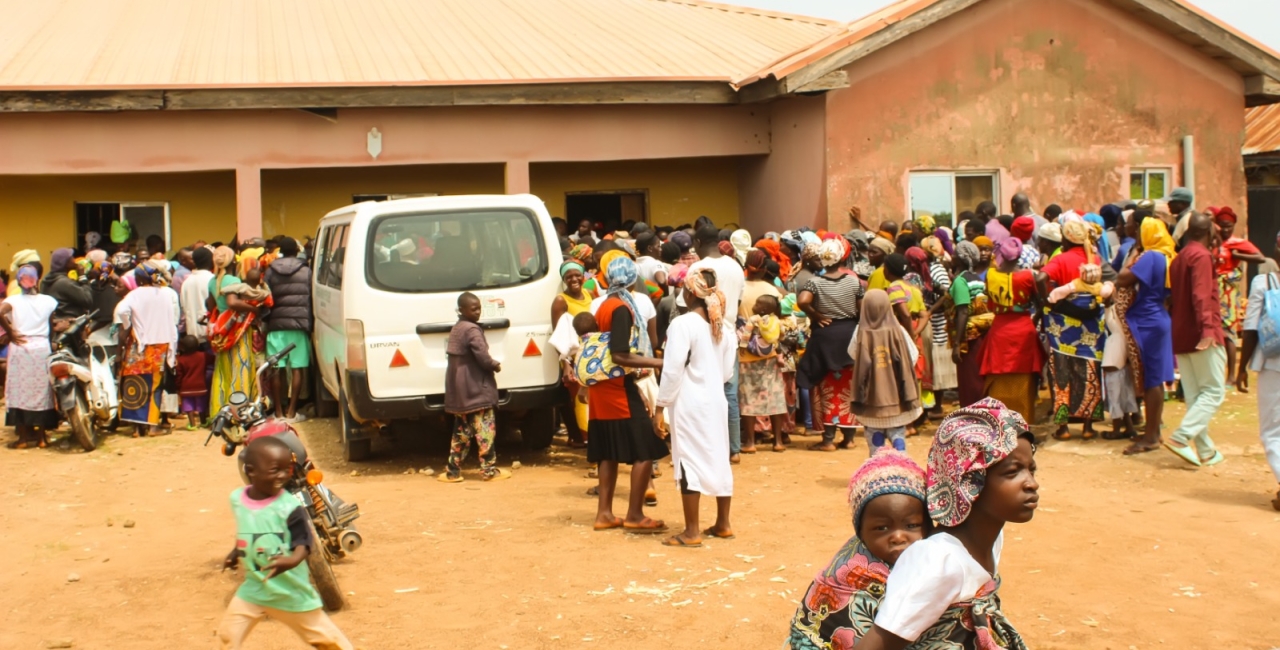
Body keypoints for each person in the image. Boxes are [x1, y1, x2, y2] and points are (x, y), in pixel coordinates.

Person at [854, 399, 1036, 650]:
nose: (1031, 483)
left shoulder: (992, 536)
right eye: (1013, 472)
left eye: (1031, 470)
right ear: (969, 482)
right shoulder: (938, 561)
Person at [218, 437, 354, 650]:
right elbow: (247, 530)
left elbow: (304, 542)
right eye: (275, 470)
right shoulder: (238, 500)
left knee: (329, 641)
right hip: (254, 589)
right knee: (227, 636)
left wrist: (291, 560)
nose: (284, 476)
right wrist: (235, 552)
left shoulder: (289, 506)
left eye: (287, 469)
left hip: (291, 591)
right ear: (251, 471)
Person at [787, 450, 928, 649]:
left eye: (912, 525)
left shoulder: (935, 559)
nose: (898, 537)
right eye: (882, 528)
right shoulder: (848, 573)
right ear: (861, 532)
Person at [655, 269, 737, 547]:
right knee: (718, 457)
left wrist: (660, 406)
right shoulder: (724, 328)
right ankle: (723, 523)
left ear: (690, 294)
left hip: (690, 402)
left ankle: (692, 532)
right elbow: (726, 373)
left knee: (688, 460)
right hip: (716, 400)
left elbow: (672, 370)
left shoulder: (683, 324)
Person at [588, 256, 667, 533]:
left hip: (603, 388)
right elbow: (620, 354)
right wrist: (657, 362)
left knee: (608, 453)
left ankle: (605, 514)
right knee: (646, 448)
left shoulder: (604, 306)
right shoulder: (621, 308)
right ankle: (634, 514)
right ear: (633, 280)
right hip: (617, 389)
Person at [1164, 213, 1225, 467]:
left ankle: (1206, 450)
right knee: (1213, 391)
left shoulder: (1179, 258)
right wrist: (1208, 330)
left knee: (1195, 394)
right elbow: (1201, 296)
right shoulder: (1200, 256)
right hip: (1202, 333)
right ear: (1208, 232)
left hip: (1182, 333)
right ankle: (1181, 437)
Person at [1040, 219, 1107, 440]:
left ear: (1066, 238)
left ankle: (1064, 428)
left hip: (1063, 328)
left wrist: (1046, 302)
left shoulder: (1060, 260)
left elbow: (1041, 277)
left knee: (1061, 373)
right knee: (1088, 372)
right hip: (1090, 327)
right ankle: (1088, 427)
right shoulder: (1094, 259)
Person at [1115, 217, 1176, 455]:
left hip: (1147, 320)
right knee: (1155, 379)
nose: (1138, 237)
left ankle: (1151, 436)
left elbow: (1122, 279)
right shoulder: (1167, 256)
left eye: (1141, 233)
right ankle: (1153, 431)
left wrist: (1133, 255)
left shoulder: (1150, 257)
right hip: (1157, 316)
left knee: (1152, 380)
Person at [797, 239, 865, 451]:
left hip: (824, 338)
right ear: (843, 258)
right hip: (849, 337)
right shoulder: (854, 282)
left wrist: (817, 315)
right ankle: (849, 438)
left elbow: (802, 301)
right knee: (848, 388)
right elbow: (862, 310)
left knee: (825, 388)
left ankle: (827, 440)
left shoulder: (814, 283)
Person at [438, 292, 510, 482]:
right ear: (461, 310)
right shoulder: (471, 330)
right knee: (485, 430)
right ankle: (489, 471)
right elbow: (483, 356)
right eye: (474, 308)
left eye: (479, 308)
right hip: (476, 390)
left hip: (460, 393)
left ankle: (453, 472)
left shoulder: (457, 328)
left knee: (461, 433)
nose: (478, 312)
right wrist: (495, 365)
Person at [689, 225, 746, 459]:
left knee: (702, 391)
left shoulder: (698, 267)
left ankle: (708, 446)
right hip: (729, 335)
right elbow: (738, 301)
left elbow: (688, 303)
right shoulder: (735, 266)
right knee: (729, 394)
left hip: (704, 336)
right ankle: (734, 448)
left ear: (700, 243)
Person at [847, 290, 921, 453]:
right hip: (897, 398)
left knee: (875, 442)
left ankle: (877, 468)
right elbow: (913, 355)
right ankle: (900, 464)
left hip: (871, 400)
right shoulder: (898, 330)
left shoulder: (860, 331)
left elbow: (852, 353)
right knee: (897, 434)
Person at [980, 239, 1045, 423]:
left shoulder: (990, 275)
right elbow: (1040, 304)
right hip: (1024, 329)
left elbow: (989, 301)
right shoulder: (1027, 276)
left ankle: (998, 423)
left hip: (999, 329)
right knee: (1024, 378)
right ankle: (1022, 425)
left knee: (997, 376)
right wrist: (1035, 320)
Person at [1236, 246, 1280, 510]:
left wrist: (1241, 369)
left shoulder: (1263, 282)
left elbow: (1251, 327)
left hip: (1273, 363)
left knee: (1272, 432)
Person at [114, 264, 181, 436]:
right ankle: (152, 426)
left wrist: (128, 325)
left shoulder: (134, 294)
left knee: (134, 384)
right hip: (160, 348)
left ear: (139, 279)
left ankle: (137, 428)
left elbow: (121, 310)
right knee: (155, 385)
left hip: (139, 346)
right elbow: (173, 320)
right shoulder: (166, 294)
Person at [0, 265, 58, 448]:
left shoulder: (13, 301)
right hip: (41, 347)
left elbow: (0, 312)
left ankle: (23, 439)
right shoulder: (49, 301)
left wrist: (11, 332)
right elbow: (51, 327)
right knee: (42, 391)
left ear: (19, 281)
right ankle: (42, 438)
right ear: (36, 281)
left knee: (19, 391)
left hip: (20, 347)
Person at [739, 250, 788, 452]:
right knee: (774, 395)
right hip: (770, 351)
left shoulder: (739, 289)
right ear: (765, 268)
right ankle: (777, 441)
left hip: (746, 352)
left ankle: (750, 443)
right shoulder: (773, 290)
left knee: (747, 397)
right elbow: (781, 319)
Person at [1210, 206, 1265, 382]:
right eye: (1222, 225)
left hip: (1228, 293)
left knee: (1228, 334)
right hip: (1211, 290)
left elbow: (1260, 257)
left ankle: (1232, 375)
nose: (1225, 229)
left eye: (1229, 226)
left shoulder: (1236, 243)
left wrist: (1238, 255)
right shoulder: (1212, 242)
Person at [264, 238, 313, 422]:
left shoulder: (270, 270)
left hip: (276, 325)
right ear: (296, 250)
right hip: (299, 325)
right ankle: (292, 412)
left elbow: (265, 296)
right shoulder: (306, 270)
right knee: (298, 368)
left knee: (276, 367)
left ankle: (278, 412)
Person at [551, 260, 593, 448]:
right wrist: (566, 364)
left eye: (577, 275)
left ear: (584, 276)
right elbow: (558, 334)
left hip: (592, 354)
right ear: (564, 279)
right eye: (569, 276)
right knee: (579, 400)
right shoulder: (561, 301)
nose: (574, 279)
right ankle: (586, 438)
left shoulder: (589, 294)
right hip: (573, 358)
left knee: (591, 399)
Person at [949, 242, 992, 408]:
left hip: (970, 337)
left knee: (969, 379)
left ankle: (973, 415)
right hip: (982, 334)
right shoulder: (976, 279)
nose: (951, 257)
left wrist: (957, 344)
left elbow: (963, 312)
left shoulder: (961, 281)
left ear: (960, 258)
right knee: (978, 377)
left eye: (954, 254)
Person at [40, 247, 93, 321]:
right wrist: (82, 277)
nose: (74, 260)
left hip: (54, 324)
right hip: (69, 325)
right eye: (71, 258)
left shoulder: (45, 280)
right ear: (65, 263)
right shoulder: (64, 283)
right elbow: (87, 300)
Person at [175, 334, 212, 430]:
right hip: (201, 386)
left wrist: (178, 387)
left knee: (188, 405)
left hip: (186, 388)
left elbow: (179, 375)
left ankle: (192, 424)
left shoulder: (181, 360)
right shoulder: (203, 356)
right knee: (201, 404)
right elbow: (214, 359)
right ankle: (203, 422)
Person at [182, 247, 216, 346]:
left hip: (192, 336)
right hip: (209, 333)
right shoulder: (212, 279)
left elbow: (184, 306)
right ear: (211, 260)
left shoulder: (187, 282)